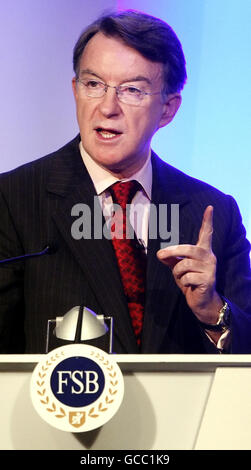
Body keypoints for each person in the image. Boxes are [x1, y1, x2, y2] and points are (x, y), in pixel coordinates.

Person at [0, 10, 250, 354]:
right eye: (93, 84)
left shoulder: (214, 212)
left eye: (131, 90)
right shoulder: (13, 200)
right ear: (75, 90)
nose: (107, 107)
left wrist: (211, 309)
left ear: (168, 109)